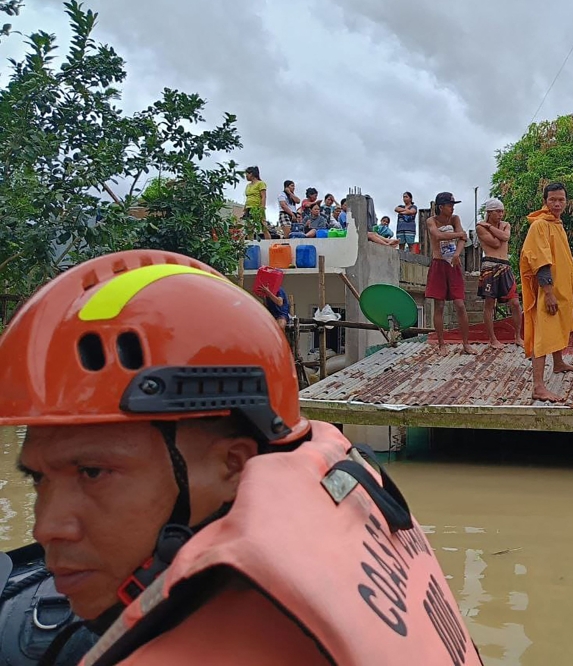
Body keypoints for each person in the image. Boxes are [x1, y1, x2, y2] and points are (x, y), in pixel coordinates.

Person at [0, 249, 482, 665]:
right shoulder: (344, 502)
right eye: (39, 480)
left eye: (92, 472)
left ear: (235, 465)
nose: (46, 528)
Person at [520, 183, 573, 402]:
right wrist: (548, 292)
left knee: (559, 326)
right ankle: (538, 386)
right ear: (545, 201)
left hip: (562, 287)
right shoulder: (540, 225)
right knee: (544, 335)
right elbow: (541, 261)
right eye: (552, 199)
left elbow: (565, 258)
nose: (557, 204)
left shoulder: (557, 224)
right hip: (549, 289)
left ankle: (558, 363)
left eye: (561, 200)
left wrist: (571, 288)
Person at [426, 192, 474, 354]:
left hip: (453, 263)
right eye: (449, 205)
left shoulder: (455, 219)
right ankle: (441, 344)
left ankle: (466, 344)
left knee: (460, 304)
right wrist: (459, 234)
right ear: (441, 207)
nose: (452, 208)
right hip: (438, 263)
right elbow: (438, 235)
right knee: (439, 305)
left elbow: (463, 238)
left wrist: (456, 253)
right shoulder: (431, 220)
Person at [475, 198, 523, 349]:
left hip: (505, 265)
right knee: (489, 303)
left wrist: (489, 226)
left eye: (502, 211)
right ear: (489, 212)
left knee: (514, 302)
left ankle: (518, 336)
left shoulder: (503, 225)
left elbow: (506, 237)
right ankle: (492, 338)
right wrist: (495, 231)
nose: (501, 214)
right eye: (497, 211)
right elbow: (495, 243)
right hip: (490, 264)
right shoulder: (479, 227)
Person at [242, 166, 269, 239]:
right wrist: (244, 209)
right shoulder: (248, 186)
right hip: (248, 207)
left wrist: (262, 208)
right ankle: (250, 244)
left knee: (263, 227)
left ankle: (270, 244)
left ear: (252, 174)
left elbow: (263, 196)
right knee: (249, 229)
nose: (246, 176)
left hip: (257, 207)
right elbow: (248, 198)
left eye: (247, 174)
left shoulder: (260, 183)